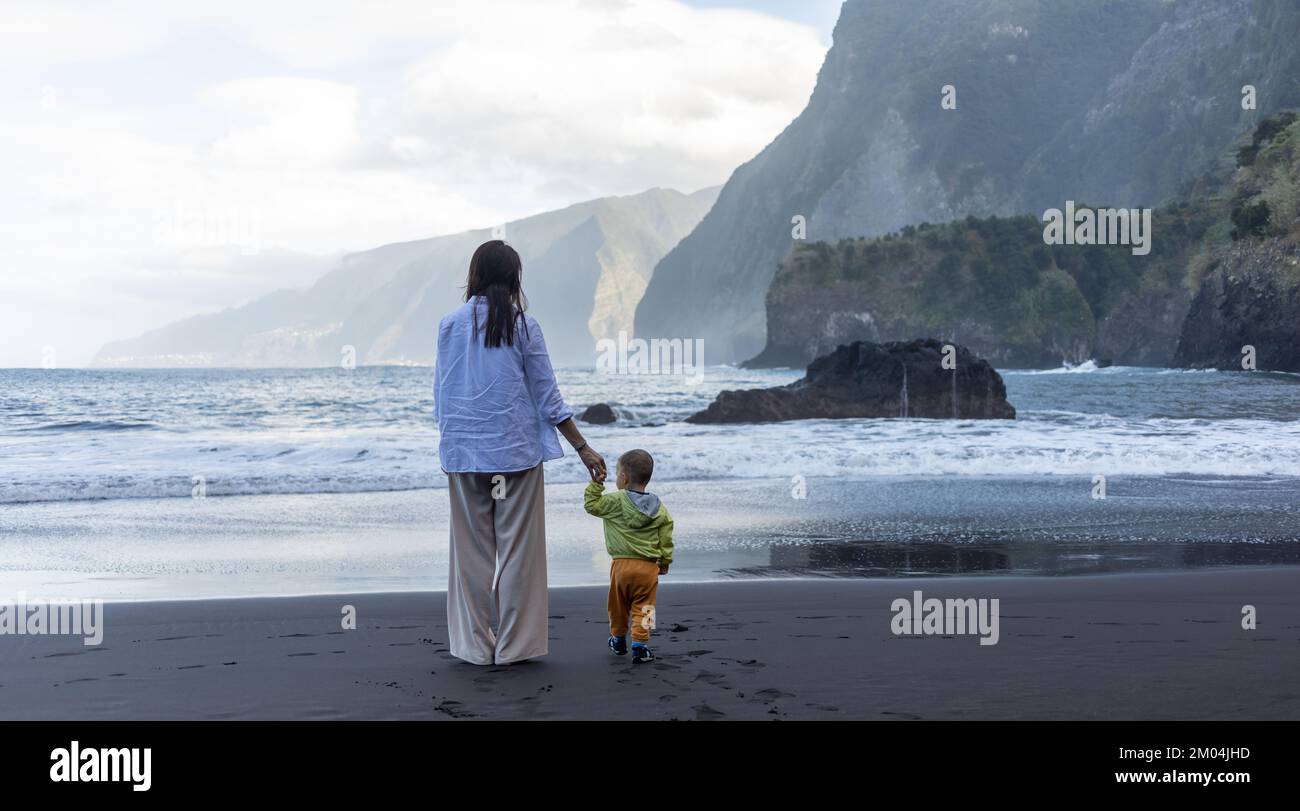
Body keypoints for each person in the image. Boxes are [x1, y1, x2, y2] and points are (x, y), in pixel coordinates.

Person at [434, 239, 605, 666]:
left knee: (470, 556)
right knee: (518, 555)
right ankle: (514, 647)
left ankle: (474, 648)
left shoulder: (449, 324)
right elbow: (548, 397)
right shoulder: (524, 327)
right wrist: (582, 448)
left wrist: (449, 446)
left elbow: (443, 394)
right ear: (514, 279)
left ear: (474, 275)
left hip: (466, 455)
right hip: (515, 455)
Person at [583, 448, 674, 663]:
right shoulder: (659, 508)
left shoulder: (616, 501)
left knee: (617, 605)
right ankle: (641, 645)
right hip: (649, 567)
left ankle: (618, 638)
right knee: (647, 607)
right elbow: (666, 536)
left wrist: (596, 484)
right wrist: (665, 560)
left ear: (623, 477)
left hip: (621, 566)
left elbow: (591, 505)